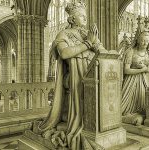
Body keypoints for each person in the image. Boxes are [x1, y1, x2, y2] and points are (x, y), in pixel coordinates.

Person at [33, 2, 104, 149]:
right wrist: (87, 44)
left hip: (93, 77)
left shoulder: (87, 34)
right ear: (71, 19)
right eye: (81, 15)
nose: (85, 18)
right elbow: (65, 53)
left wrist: (101, 48)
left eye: (85, 15)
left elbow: (103, 52)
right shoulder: (63, 34)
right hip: (74, 78)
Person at [121, 28, 149, 125]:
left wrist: (145, 68)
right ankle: (127, 116)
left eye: (147, 41)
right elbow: (126, 70)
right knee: (124, 109)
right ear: (138, 40)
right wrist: (141, 69)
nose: (145, 43)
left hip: (144, 81)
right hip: (131, 82)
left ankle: (139, 116)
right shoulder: (130, 51)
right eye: (143, 40)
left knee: (144, 104)